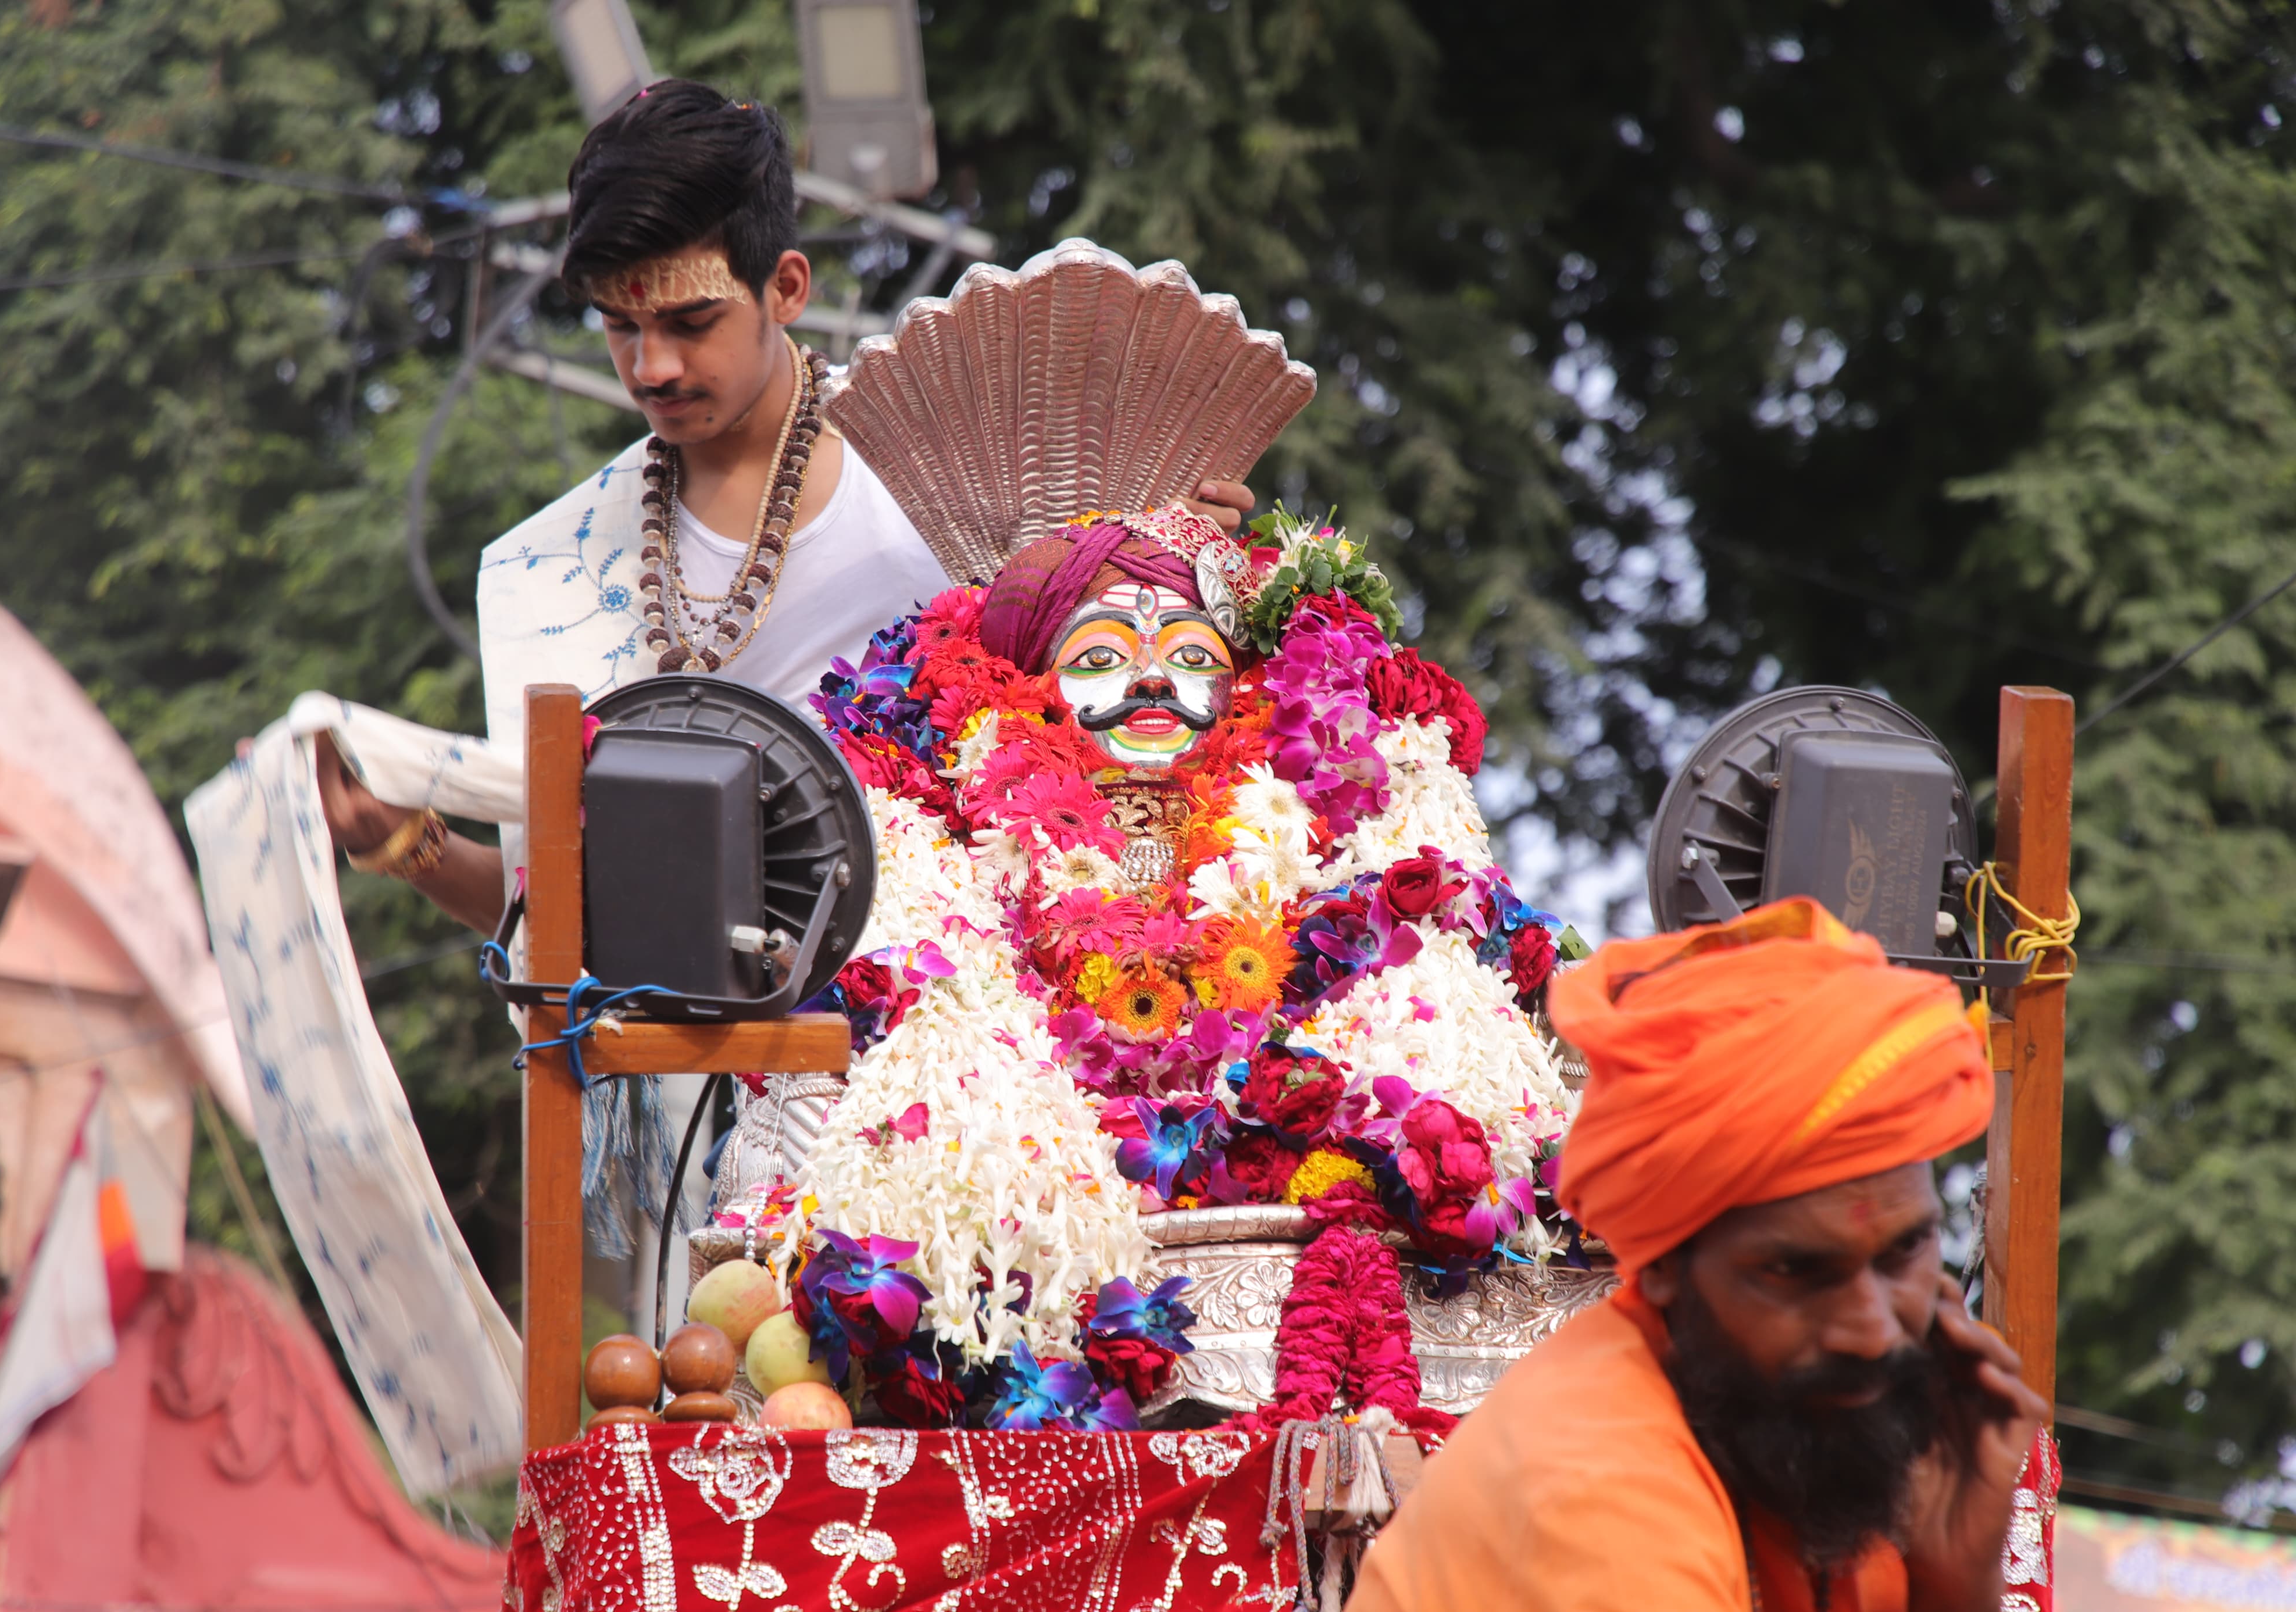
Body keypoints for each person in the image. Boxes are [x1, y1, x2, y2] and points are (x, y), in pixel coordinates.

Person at [318, 80, 1255, 921]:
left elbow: (1143, 790)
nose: (653, 367)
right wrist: (405, 845)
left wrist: (1185, 576)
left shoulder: (959, 471)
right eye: (620, 327)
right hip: (702, 1097)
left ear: (788, 287)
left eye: (691, 323)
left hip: (979, 1051)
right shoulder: (550, 570)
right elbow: (569, 938)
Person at [1347, 897, 2050, 1612]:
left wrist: (1953, 1583)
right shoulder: (1600, 1496)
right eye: (1793, 1271)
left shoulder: (1800, 1439)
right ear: (1660, 1271)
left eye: (1902, 1251)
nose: (1871, 1328)